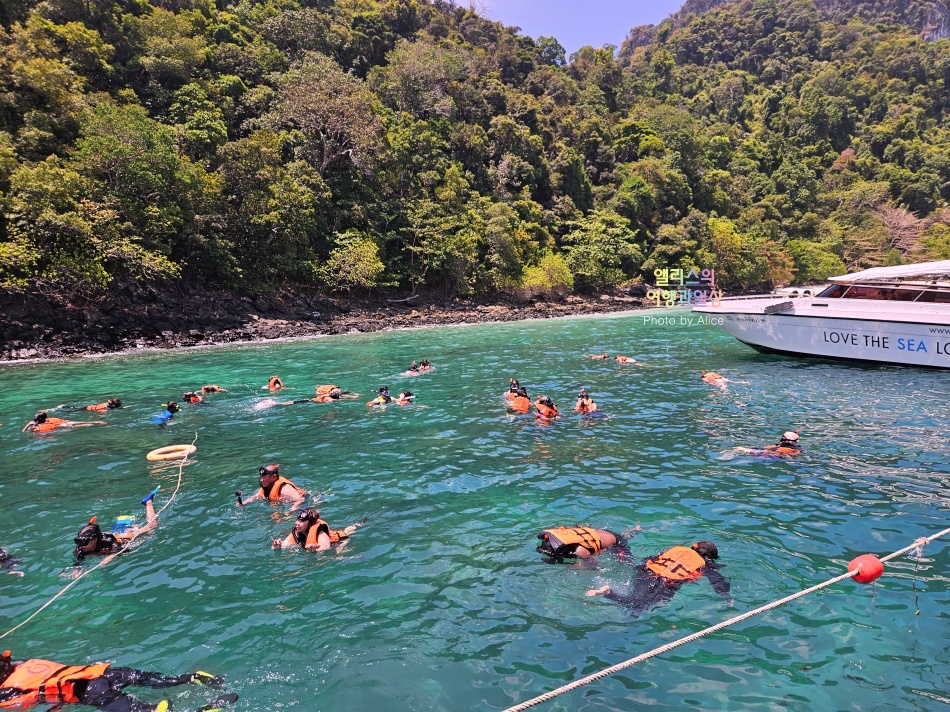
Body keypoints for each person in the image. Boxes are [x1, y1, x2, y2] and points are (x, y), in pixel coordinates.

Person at [0, 650, 236, 712]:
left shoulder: (8, 690)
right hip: (105, 672)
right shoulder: (23, 663)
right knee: (160, 681)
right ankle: (194, 678)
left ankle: (160, 710)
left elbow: (24, 702)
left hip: (91, 691)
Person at [585, 540, 731, 618]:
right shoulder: (704, 565)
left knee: (634, 601)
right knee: (639, 605)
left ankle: (611, 596)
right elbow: (718, 581)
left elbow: (652, 559)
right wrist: (726, 596)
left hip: (645, 572)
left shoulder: (677, 550)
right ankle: (608, 593)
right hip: (666, 582)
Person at [73, 488, 161, 562]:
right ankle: (123, 522)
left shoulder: (110, 545)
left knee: (153, 526)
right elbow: (79, 558)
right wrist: (77, 567)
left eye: (84, 542)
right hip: (113, 535)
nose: (81, 545)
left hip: (123, 538)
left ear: (94, 540)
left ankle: (148, 502)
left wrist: (112, 556)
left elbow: (125, 550)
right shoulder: (81, 548)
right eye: (79, 542)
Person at [272, 508, 365, 552]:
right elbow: (286, 544)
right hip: (332, 537)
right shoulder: (297, 531)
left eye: (302, 521)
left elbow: (325, 546)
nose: (297, 523)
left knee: (338, 556)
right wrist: (279, 546)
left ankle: (358, 524)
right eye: (297, 520)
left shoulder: (320, 533)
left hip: (338, 541)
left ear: (310, 523)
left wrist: (316, 550)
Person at [536, 526, 626, 560]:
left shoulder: (581, 550)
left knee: (624, 562)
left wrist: (574, 566)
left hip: (617, 543)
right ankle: (632, 531)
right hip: (603, 532)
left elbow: (592, 566)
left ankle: (631, 533)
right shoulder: (563, 533)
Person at [237, 465, 305, 507]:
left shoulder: (284, 488)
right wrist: (243, 503)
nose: (261, 480)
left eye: (264, 477)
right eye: (261, 477)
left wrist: (292, 509)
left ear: (273, 477)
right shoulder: (266, 487)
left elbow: (300, 499)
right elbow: (256, 496)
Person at [22, 411, 106, 433]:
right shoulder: (50, 419)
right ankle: (96, 421)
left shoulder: (37, 427)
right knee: (78, 423)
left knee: (77, 426)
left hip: (62, 426)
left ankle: (90, 424)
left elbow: (23, 431)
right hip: (65, 422)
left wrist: (28, 424)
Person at [55, 399, 123, 413]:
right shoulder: (108, 407)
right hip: (89, 409)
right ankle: (58, 410)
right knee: (73, 411)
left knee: (76, 408)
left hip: (90, 406)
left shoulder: (108, 404)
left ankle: (62, 406)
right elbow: (104, 410)